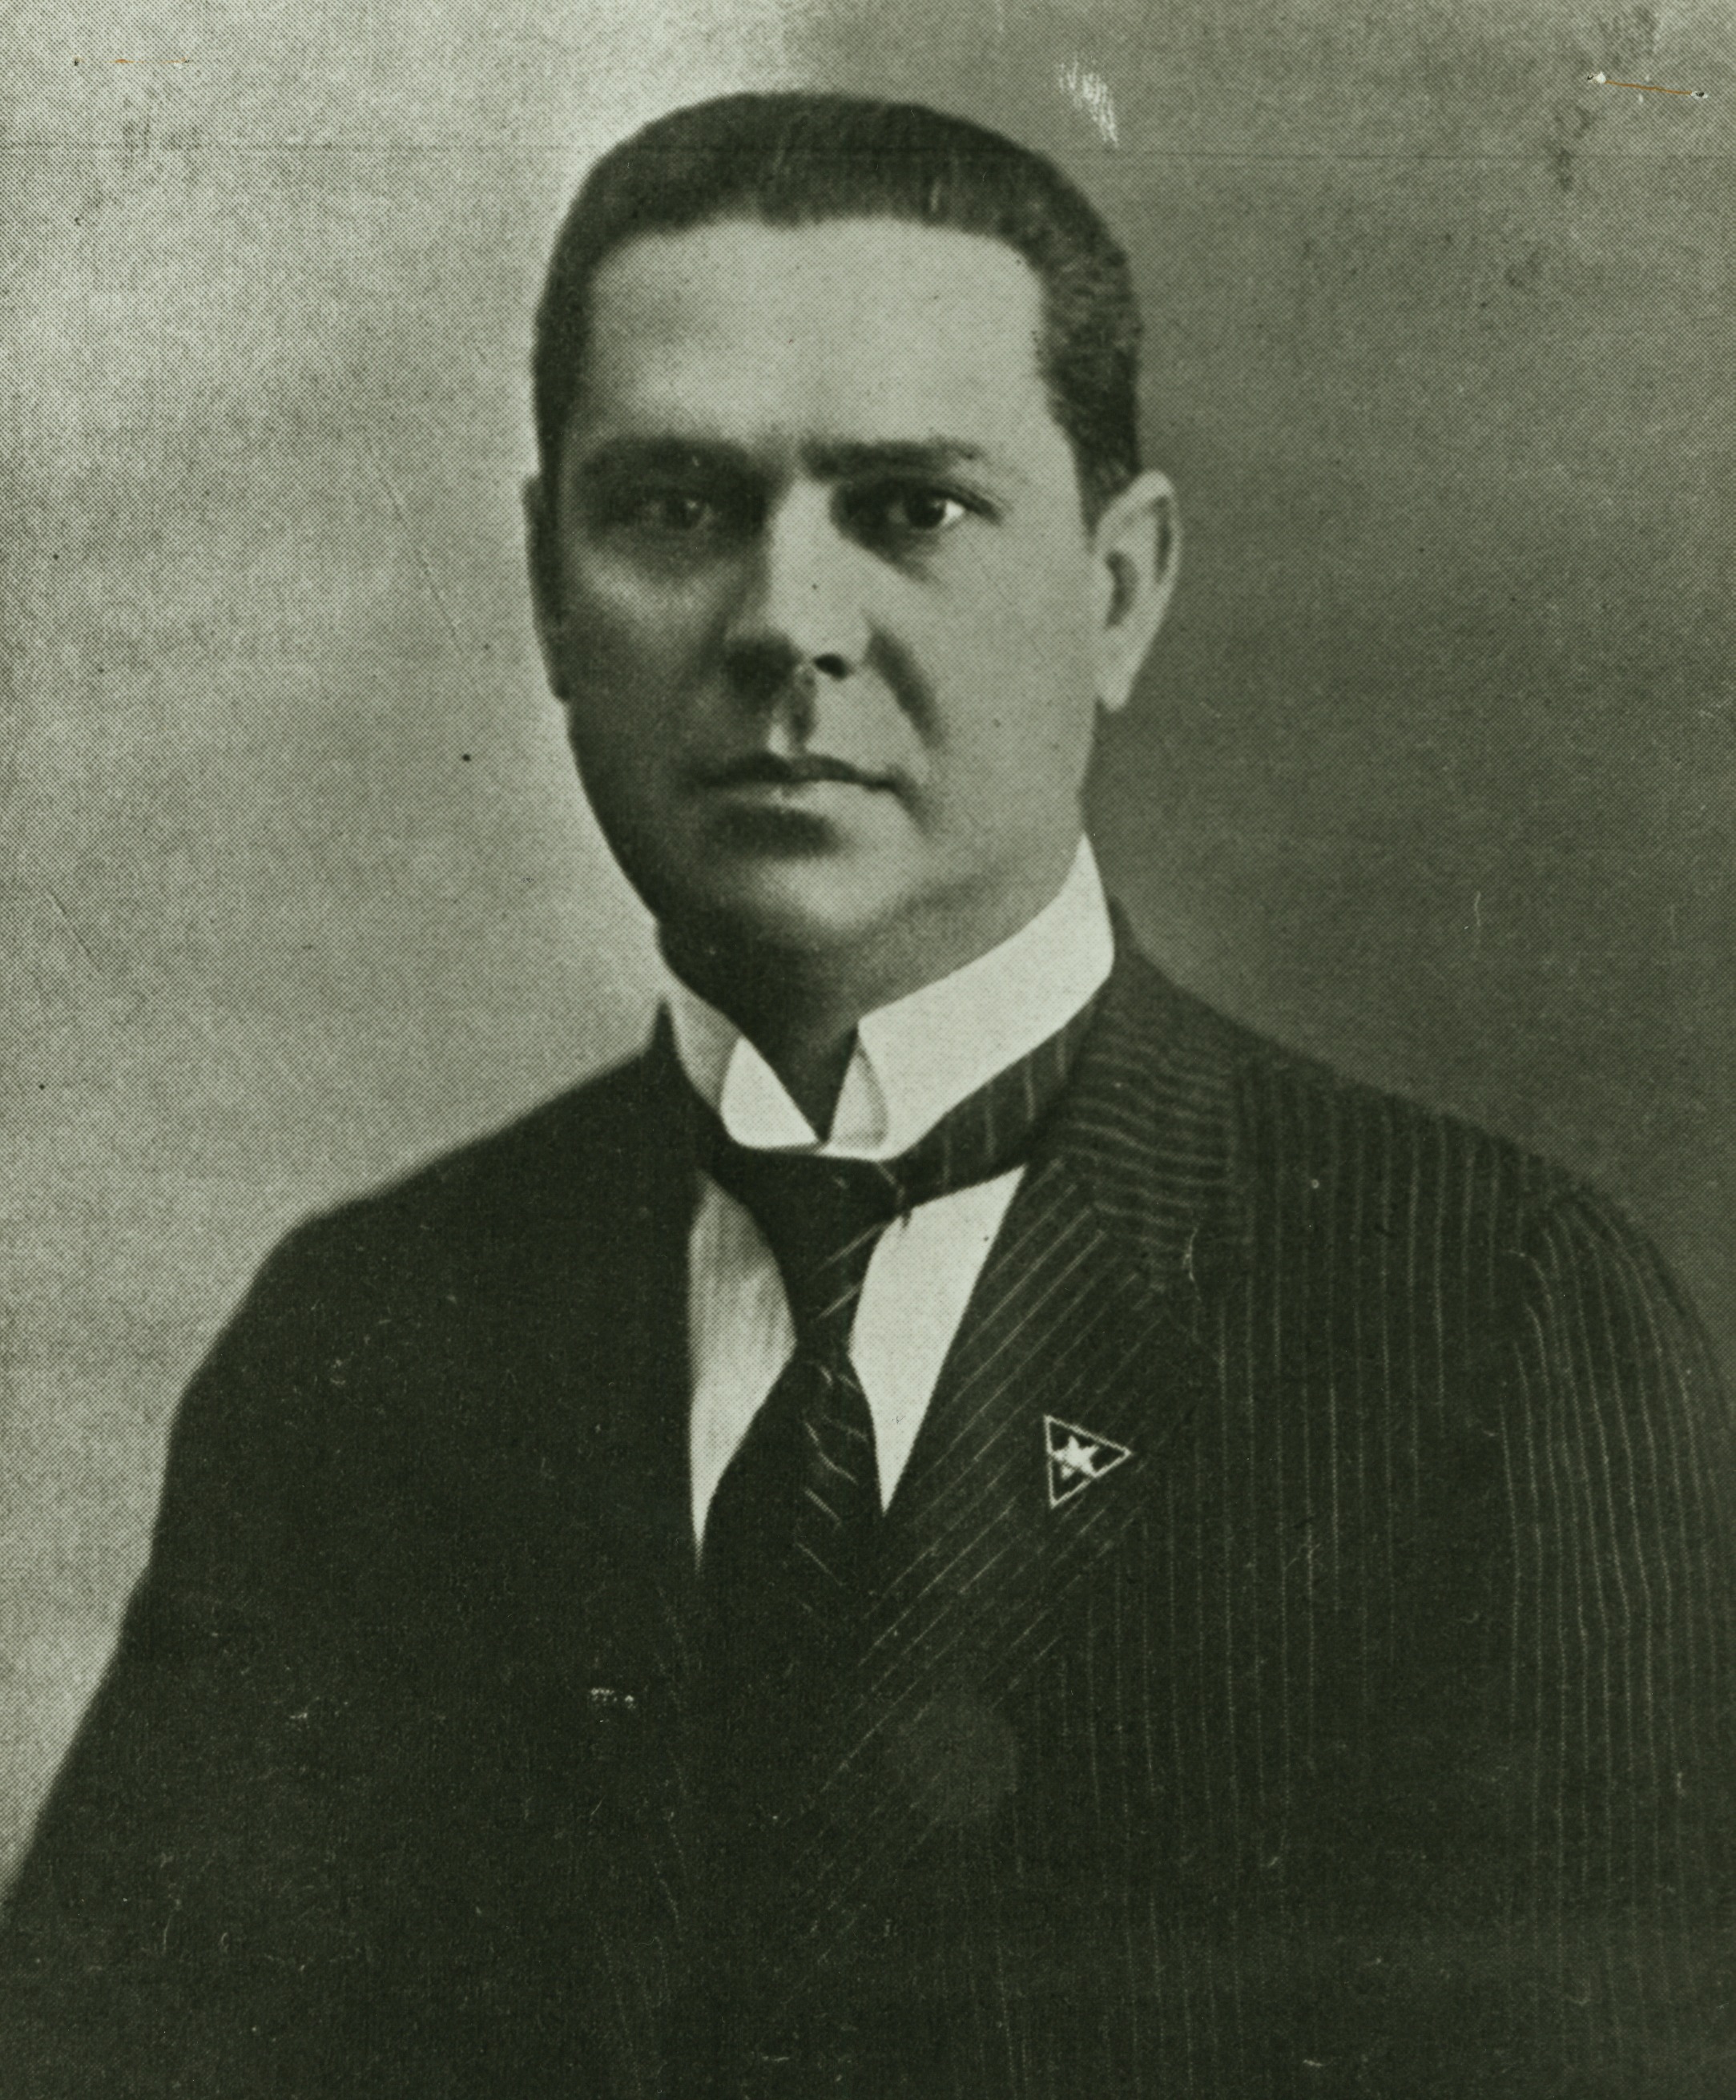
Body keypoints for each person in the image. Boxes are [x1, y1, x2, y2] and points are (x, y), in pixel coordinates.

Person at [2, 90, 1731, 2100]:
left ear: (1118, 590)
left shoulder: (1486, 1315)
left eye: (909, 509)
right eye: (674, 508)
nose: (783, 626)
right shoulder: (372, 1340)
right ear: (550, 592)